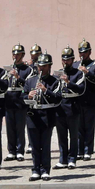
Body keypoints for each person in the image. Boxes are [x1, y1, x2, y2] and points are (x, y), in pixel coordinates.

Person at [23, 53, 62, 181]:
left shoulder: (54, 81)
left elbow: (58, 98)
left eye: (44, 66)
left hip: (47, 116)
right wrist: (28, 96)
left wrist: (45, 90)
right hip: (33, 116)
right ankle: (35, 170)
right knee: (34, 146)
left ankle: (45, 170)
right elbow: (21, 98)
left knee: (45, 145)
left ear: (49, 66)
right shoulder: (30, 80)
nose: (41, 68)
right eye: (40, 66)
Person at [54, 46, 86, 170]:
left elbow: (81, 89)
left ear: (73, 60)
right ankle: (63, 159)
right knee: (61, 136)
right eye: (63, 59)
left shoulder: (78, 74)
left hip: (73, 107)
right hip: (60, 107)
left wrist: (68, 82)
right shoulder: (58, 73)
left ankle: (72, 158)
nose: (65, 62)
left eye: (68, 59)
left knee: (73, 135)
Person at [74, 40, 95, 160]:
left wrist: (87, 73)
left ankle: (87, 150)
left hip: (90, 100)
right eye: (80, 52)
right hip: (77, 100)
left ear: (89, 52)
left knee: (89, 127)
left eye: (85, 52)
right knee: (78, 127)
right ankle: (79, 150)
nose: (82, 54)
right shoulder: (75, 65)